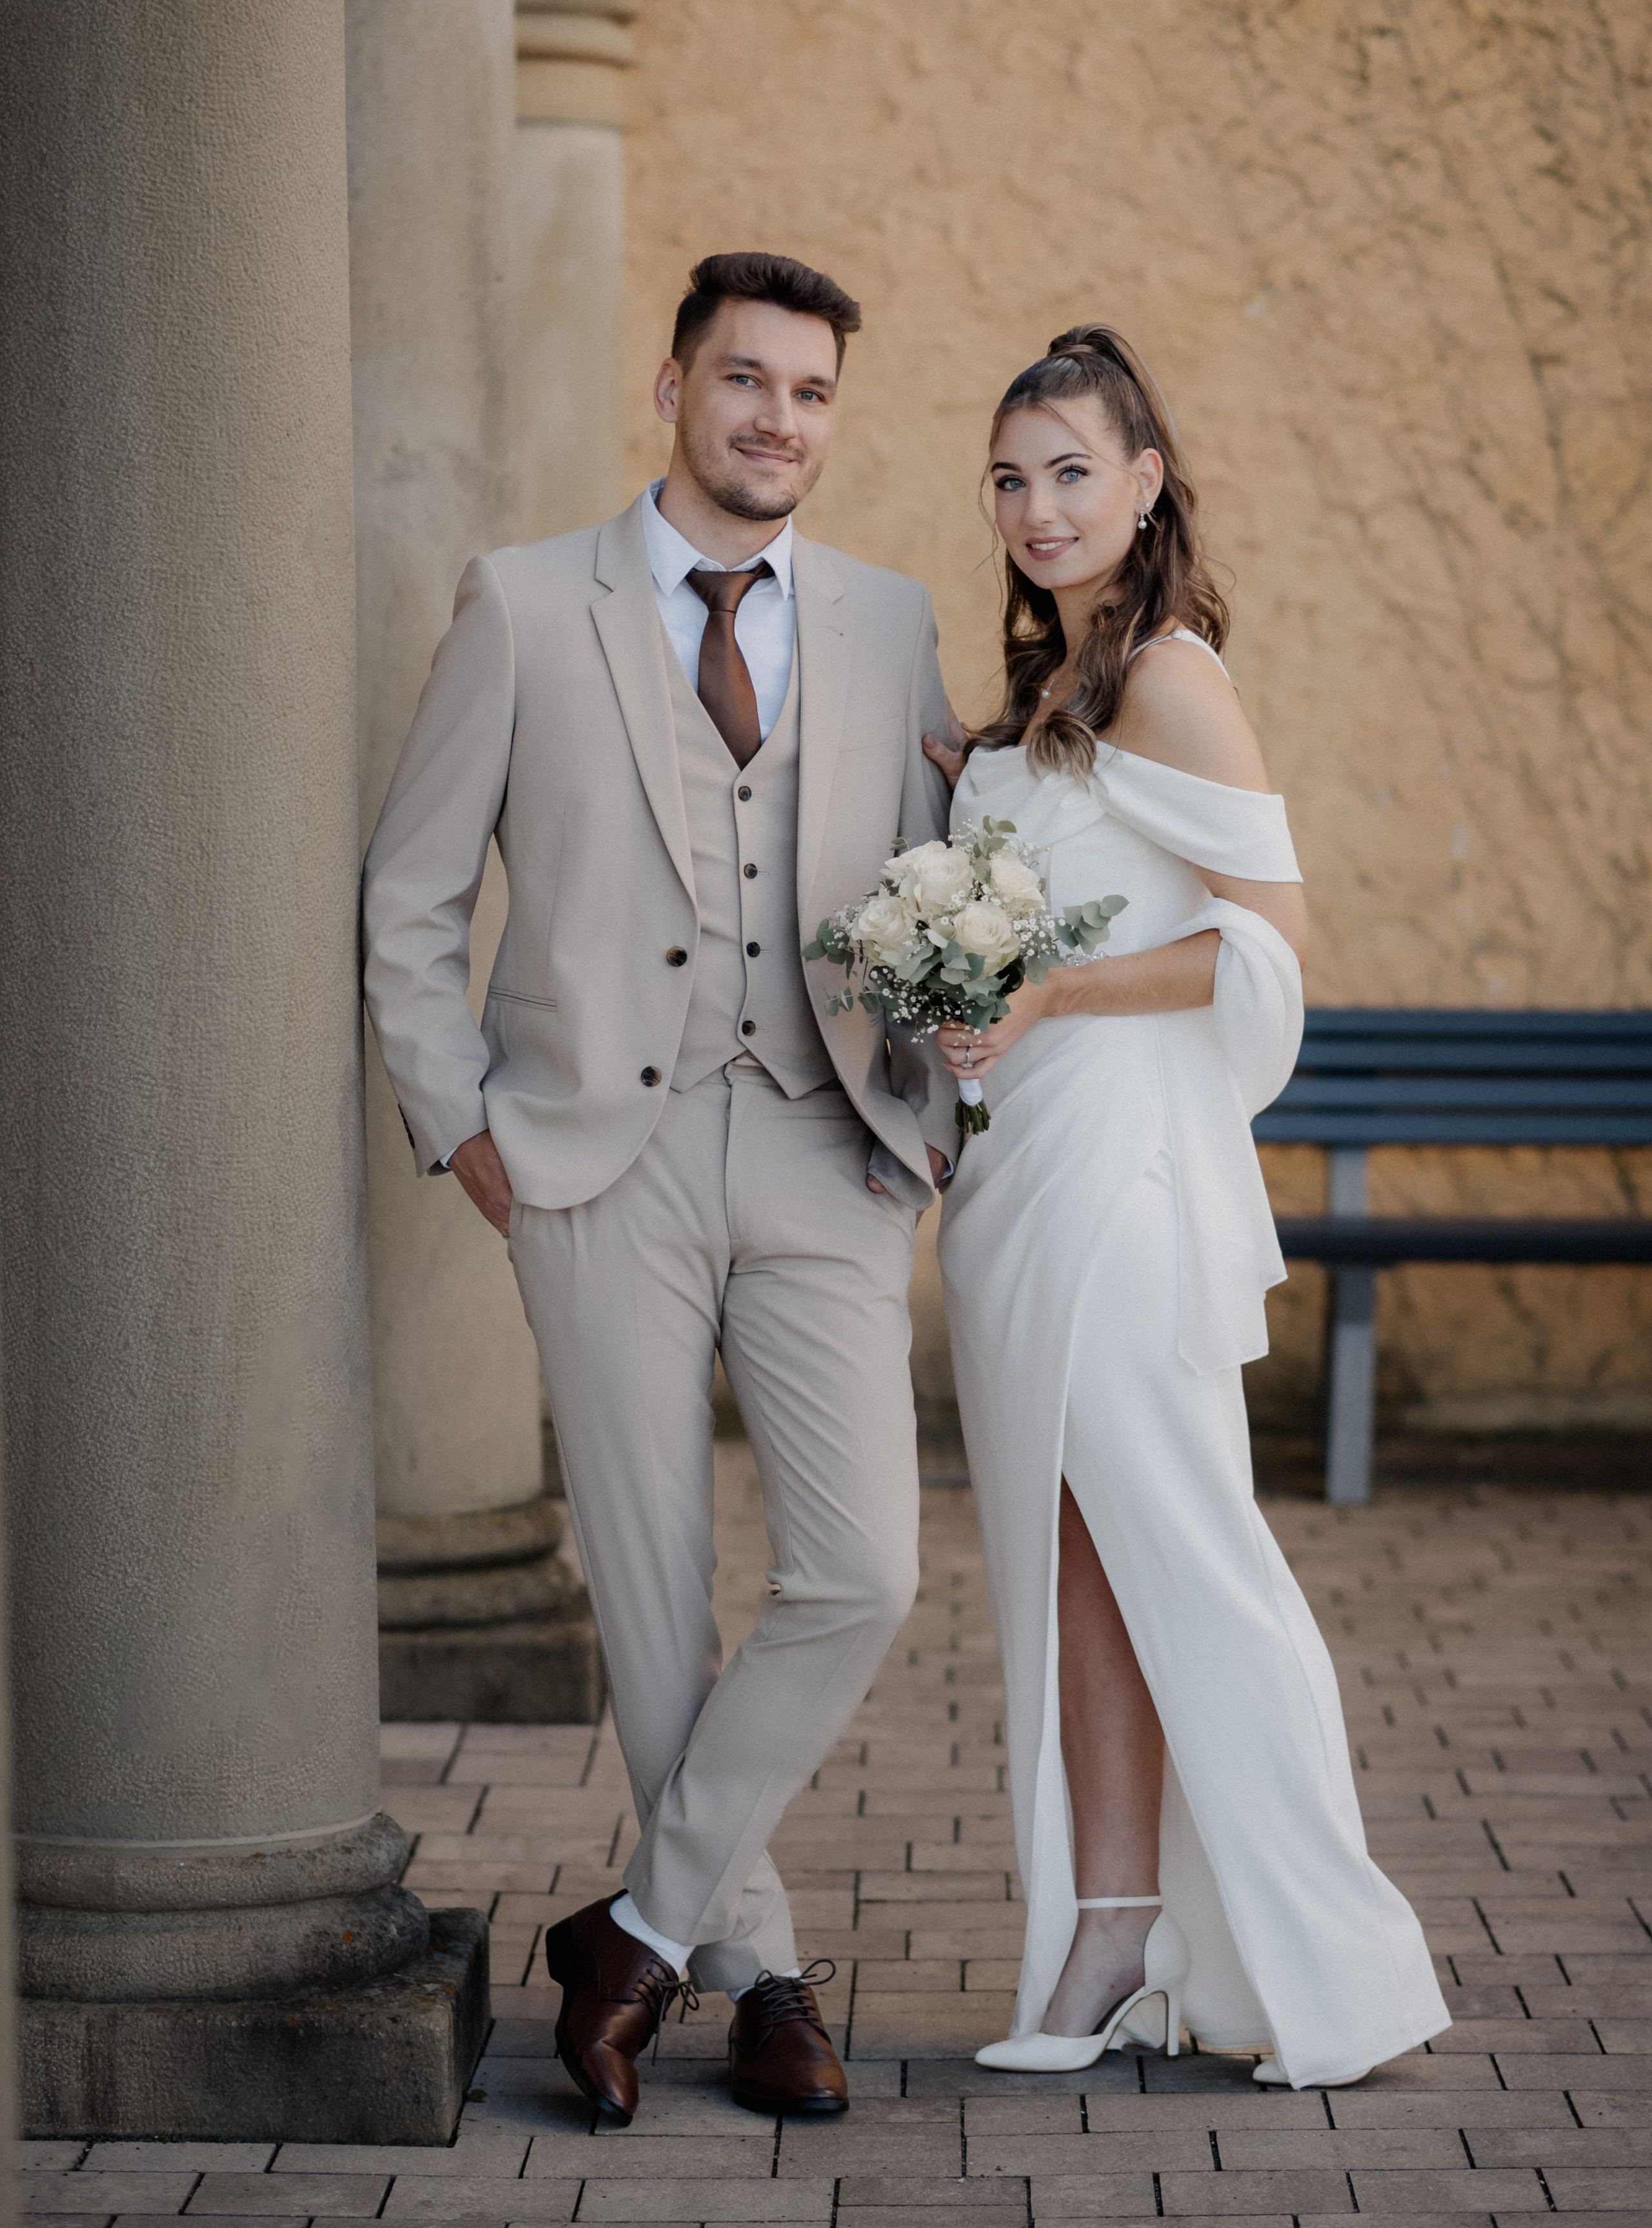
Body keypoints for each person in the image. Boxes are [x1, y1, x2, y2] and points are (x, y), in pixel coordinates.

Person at [361, 252, 958, 2126]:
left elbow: (942, 895)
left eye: (811, 391)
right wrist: (461, 1122)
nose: (780, 417)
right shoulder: (529, 606)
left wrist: (926, 1121)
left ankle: (629, 1936)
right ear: (673, 386)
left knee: (862, 1569)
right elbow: (411, 897)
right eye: (746, 379)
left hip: (822, 1144)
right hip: (589, 1166)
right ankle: (766, 1975)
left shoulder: (887, 619)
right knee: (651, 1596)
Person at [922, 325, 1449, 2087]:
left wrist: (1056, 996)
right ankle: (1111, 1943)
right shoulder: (1049, 694)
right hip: (1020, 1182)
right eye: (1011, 478)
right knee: (1082, 1578)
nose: (1038, 506)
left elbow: (1271, 937)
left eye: (1072, 470)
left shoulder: (1166, 674)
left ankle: (1340, 1965)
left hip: (1123, 1190)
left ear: (1145, 482)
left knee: (1196, 1571)